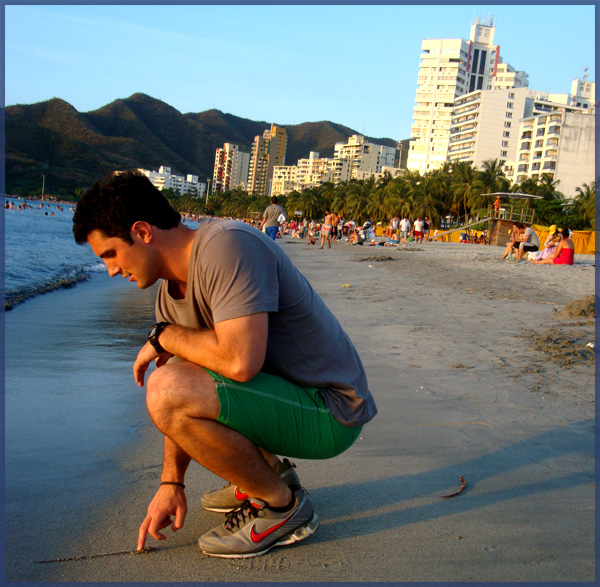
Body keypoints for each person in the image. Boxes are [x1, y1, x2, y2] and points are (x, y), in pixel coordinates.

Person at [72, 171, 376, 559]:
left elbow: (239, 362)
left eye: (111, 254)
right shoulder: (170, 297)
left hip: (331, 411)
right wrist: (171, 483)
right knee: (171, 383)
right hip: (289, 399)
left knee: (165, 386)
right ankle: (264, 472)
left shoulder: (227, 245)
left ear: (143, 232)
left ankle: (280, 505)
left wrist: (163, 337)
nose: (112, 270)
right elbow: (188, 388)